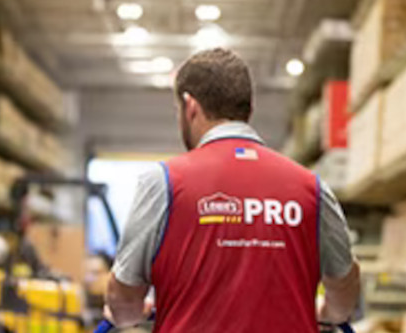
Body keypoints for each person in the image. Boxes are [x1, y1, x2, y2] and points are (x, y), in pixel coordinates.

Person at [104, 48, 360, 332]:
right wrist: (326, 311)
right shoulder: (312, 188)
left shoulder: (162, 183)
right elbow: (344, 292)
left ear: (190, 106)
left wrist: (131, 312)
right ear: (249, 110)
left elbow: (123, 301)